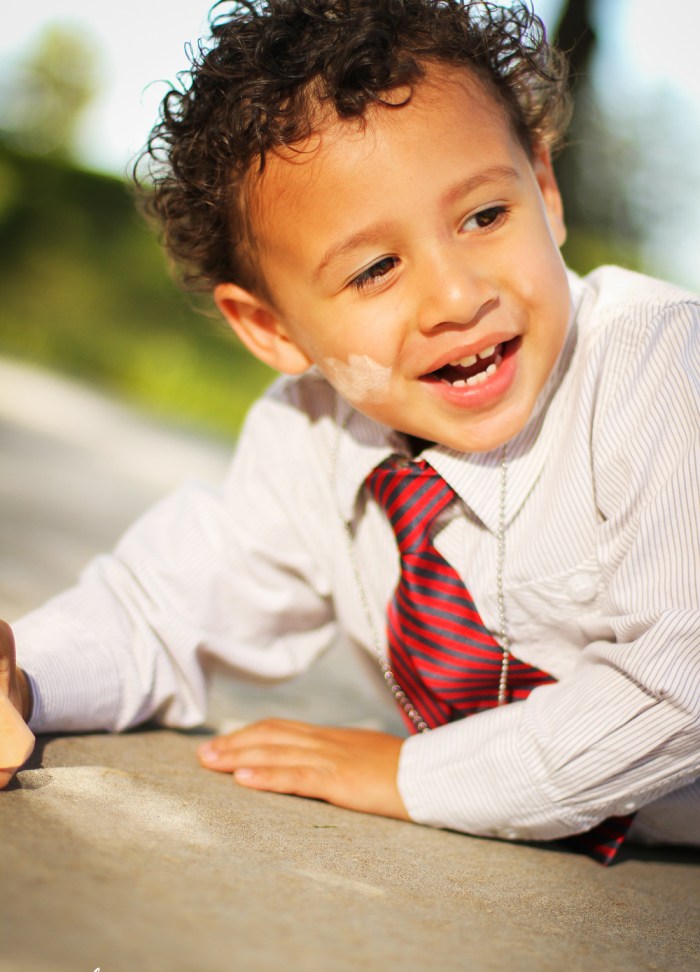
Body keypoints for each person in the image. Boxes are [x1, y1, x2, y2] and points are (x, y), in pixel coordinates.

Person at [1, 0, 698, 862]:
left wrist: (410, 776)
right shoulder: (313, 435)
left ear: (545, 191)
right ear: (271, 329)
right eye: (376, 269)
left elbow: (683, 681)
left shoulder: (661, 372)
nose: (457, 297)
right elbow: (166, 607)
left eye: (485, 216)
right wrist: (27, 677)